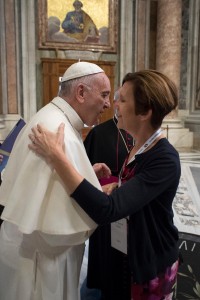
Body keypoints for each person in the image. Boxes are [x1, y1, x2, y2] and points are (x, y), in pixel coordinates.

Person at [29, 69, 181, 300]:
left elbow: (107, 210)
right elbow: (138, 189)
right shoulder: (138, 145)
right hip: (124, 256)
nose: (114, 105)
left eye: (122, 99)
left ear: (145, 112)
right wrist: (117, 186)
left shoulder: (165, 158)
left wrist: (57, 157)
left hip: (150, 263)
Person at [0, 61, 111, 300]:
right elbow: (57, 232)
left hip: (29, 253)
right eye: (104, 95)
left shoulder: (52, 117)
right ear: (81, 92)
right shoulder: (56, 130)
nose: (107, 104)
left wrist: (86, 173)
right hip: (41, 262)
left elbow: (48, 184)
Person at [81, 116, 133, 299]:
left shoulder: (142, 135)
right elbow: (84, 168)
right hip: (104, 199)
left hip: (129, 204)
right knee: (103, 254)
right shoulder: (98, 132)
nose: (108, 103)